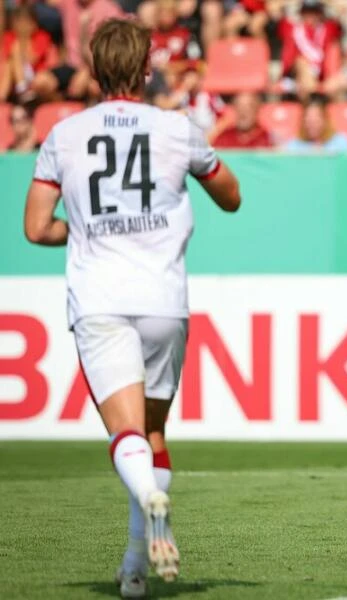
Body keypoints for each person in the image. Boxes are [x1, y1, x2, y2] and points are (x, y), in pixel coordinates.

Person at [22, 18, 241, 598]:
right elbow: (232, 196)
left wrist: (89, 227)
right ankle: (135, 565)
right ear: (148, 68)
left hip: (99, 298)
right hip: (164, 298)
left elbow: (35, 227)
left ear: (93, 71)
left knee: (125, 434)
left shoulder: (62, 135)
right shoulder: (178, 128)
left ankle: (148, 500)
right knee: (153, 431)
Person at [283, 93, 347, 152]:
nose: (312, 125)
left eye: (316, 121)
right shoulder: (294, 145)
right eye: (308, 121)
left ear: (325, 119)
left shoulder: (340, 142)